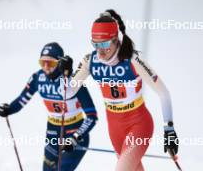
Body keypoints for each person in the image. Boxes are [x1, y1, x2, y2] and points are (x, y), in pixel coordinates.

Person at [58, 10, 179, 171]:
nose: (100, 50)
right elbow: (66, 93)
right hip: (114, 128)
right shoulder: (90, 61)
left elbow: (163, 93)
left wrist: (169, 129)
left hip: (139, 124)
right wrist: (64, 74)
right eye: (95, 44)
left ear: (116, 40)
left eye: (105, 44)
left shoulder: (133, 60)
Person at [0, 42, 98, 171]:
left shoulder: (73, 82)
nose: (46, 67)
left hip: (74, 132)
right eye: (42, 62)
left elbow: (92, 116)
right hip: (53, 133)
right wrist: (9, 109)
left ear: (59, 62)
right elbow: (22, 100)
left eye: (50, 63)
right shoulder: (37, 78)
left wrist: (76, 137)